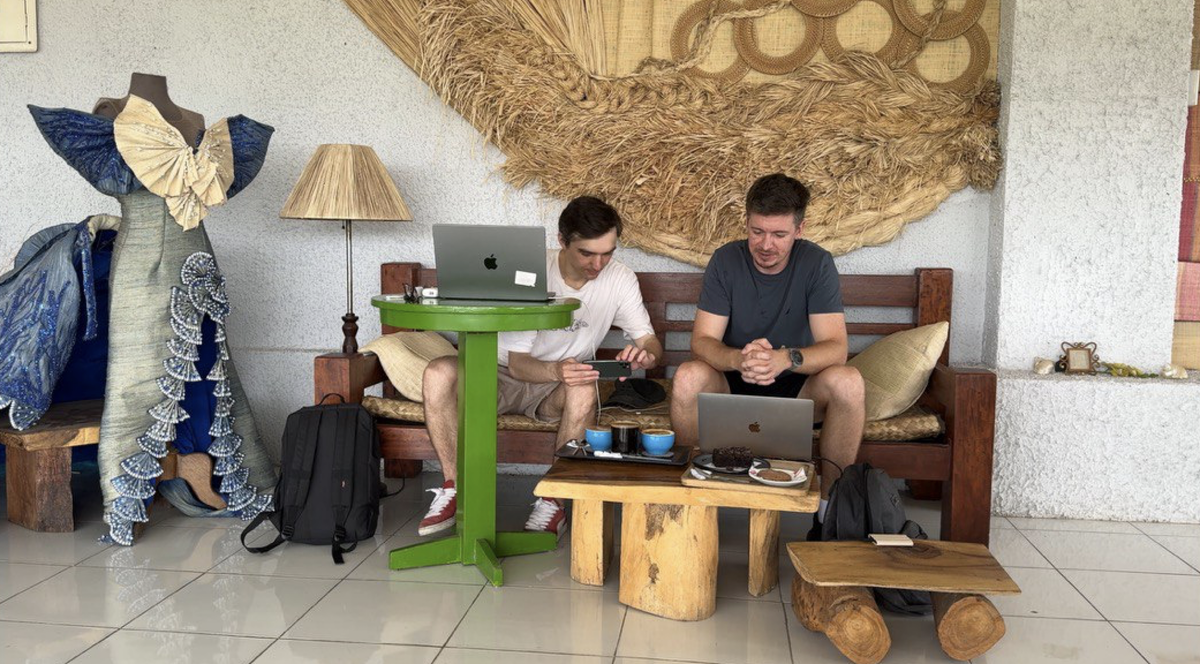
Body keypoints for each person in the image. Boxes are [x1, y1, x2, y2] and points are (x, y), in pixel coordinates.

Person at [419, 196, 664, 538]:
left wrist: (646, 355)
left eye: (607, 253)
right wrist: (557, 370)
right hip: (497, 376)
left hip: (555, 389)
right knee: (437, 372)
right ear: (562, 241)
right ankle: (454, 487)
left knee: (584, 386)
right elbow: (519, 366)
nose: (598, 264)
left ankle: (553, 499)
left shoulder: (620, 278)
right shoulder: (531, 271)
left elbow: (649, 340)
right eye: (587, 253)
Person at [670, 173, 864, 535]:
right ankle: (692, 503)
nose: (766, 245)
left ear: (799, 229)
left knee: (849, 382)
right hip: (732, 386)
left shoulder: (817, 263)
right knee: (687, 376)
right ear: (746, 222)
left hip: (797, 391)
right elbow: (702, 341)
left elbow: (836, 348)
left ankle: (828, 514)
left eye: (779, 234)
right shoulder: (726, 260)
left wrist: (784, 359)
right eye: (757, 231)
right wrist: (739, 360)